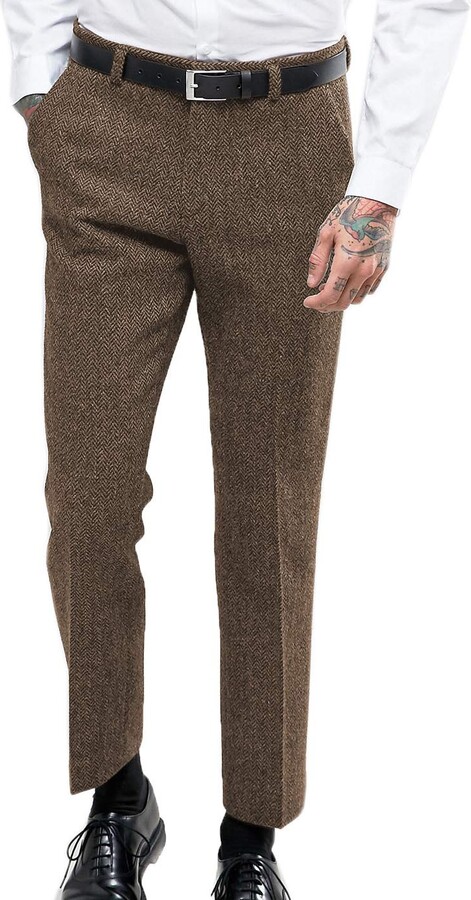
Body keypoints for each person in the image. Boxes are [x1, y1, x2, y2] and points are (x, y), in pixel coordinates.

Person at [2, 2, 469, 898]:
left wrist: (380, 184)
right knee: (89, 498)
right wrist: (37, 82)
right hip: (108, 122)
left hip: (289, 142)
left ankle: (251, 837)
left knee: (269, 511)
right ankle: (116, 801)